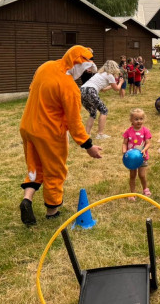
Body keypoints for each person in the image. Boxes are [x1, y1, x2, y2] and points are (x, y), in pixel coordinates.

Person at [18, 45, 103, 226]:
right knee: (54, 170)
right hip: (49, 133)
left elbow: (32, 88)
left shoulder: (45, 66)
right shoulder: (69, 86)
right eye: (85, 68)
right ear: (77, 65)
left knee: (35, 166)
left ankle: (27, 199)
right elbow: (74, 123)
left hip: (27, 127)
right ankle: (52, 210)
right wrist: (88, 146)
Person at [80, 60, 122, 139]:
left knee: (93, 113)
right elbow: (117, 89)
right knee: (104, 110)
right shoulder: (109, 75)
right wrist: (121, 83)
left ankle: (87, 134)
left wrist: (113, 85)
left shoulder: (100, 74)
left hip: (82, 91)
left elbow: (103, 89)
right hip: (90, 91)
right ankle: (100, 134)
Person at [122, 108, 152, 201]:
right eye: (136, 119)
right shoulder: (128, 131)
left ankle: (145, 189)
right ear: (131, 120)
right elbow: (124, 143)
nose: (139, 121)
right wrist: (124, 151)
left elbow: (148, 143)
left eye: (141, 119)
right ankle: (132, 193)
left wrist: (144, 150)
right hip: (131, 159)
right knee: (132, 175)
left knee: (142, 175)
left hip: (142, 157)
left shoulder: (145, 131)